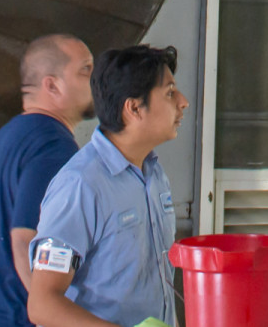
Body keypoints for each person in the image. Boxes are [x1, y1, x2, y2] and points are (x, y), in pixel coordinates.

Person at [27, 43, 187, 327]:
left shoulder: (153, 172)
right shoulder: (80, 185)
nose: (183, 102)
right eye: (170, 93)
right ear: (134, 108)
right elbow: (42, 304)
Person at [0, 34, 95, 327]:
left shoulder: (4, 139)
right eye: (85, 69)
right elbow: (25, 242)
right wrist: (58, 315)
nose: (96, 80)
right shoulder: (53, 147)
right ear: (52, 85)